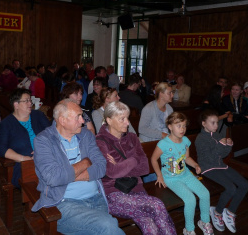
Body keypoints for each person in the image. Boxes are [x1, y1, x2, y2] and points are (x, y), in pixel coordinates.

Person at [32, 99, 124, 235]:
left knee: (102, 229)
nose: (83, 121)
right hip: (64, 204)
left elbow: (101, 167)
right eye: (78, 117)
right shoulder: (43, 141)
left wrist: (67, 175)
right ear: (62, 120)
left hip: (97, 198)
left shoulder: (86, 135)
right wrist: (85, 162)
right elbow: (53, 178)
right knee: (108, 226)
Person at [96, 101, 177, 234]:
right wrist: (133, 160)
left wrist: (121, 165)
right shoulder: (100, 142)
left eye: (127, 118)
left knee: (149, 223)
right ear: (109, 120)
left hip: (137, 189)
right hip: (114, 194)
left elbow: (144, 168)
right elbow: (111, 172)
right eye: (122, 119)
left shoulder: (132, 138)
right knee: (157, 205)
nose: (127, 123)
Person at [151, 112, 213, 235]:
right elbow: (153, 159)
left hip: (186, 174)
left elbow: (186, 158)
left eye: (184, 126)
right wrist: (159, 175)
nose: (182, 129)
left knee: (205, 194)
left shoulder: (185, 140)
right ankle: (189, 229)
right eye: (178, 126)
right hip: (171, 179)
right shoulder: (163, 144)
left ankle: (205, 222)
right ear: (169, 126)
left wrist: (195, 165)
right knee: (190, 200)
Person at [195, 109, 248, 233]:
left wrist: (228, 145)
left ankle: (230, 212)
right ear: (204, 124)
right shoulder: (200, 139)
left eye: (217, 123)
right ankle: (217, 212)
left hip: (220, 165)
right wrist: (221, 145)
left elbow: (224, 155)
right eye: (213, 123)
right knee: (231, 188)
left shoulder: (217, 135)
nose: (216, 126)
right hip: (208, 168)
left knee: (245, 185)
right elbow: (210, 158)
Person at [0, 89, 50, 187]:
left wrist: (42, 149)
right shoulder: (6, 124)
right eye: (26, 101)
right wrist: (24, 159)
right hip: (24, 165)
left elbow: (52, 134)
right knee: (46, 181)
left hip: (46, 158)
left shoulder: (38, 115)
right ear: (16, 105)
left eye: (30, 100)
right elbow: (1, 149)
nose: (30, 103)